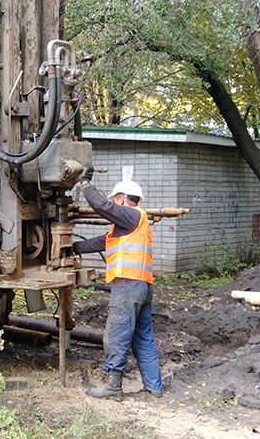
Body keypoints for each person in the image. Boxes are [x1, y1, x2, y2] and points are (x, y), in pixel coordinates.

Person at [74, 167, 164, 400]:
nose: (114, 204)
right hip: (143, 287)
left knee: (116, 336)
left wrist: (85, 184)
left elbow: (103, 206)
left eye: (116, 200)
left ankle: (113, 387)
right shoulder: (133, 224)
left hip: (127, 286)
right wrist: (73, 248)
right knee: (142, 337)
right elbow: (103, 242)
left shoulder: (132, 215)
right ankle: (155, 386)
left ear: (122, 199)